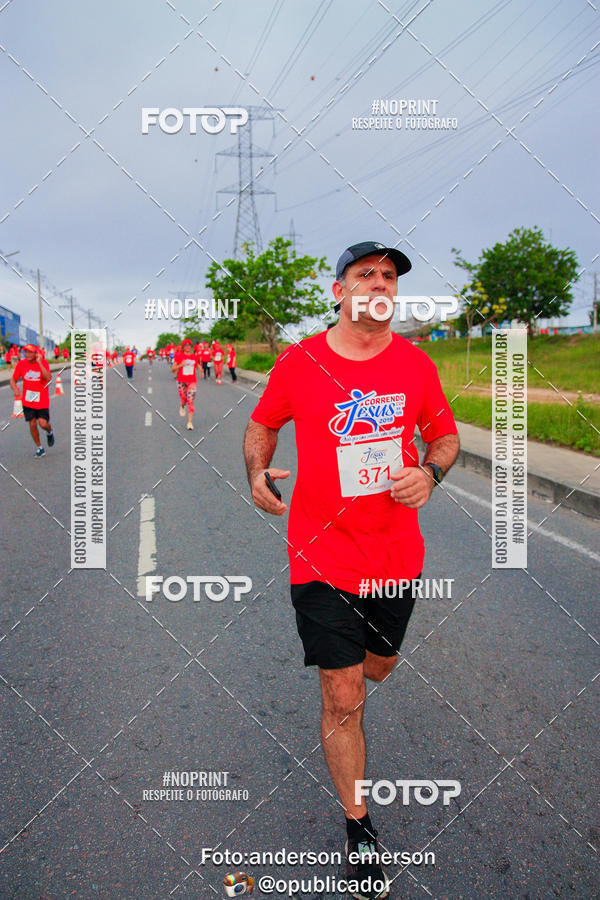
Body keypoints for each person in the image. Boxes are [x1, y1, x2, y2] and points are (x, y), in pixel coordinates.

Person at [244, 241, 460, 900]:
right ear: (338, 290)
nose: (380, 283)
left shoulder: (416, 366)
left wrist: (430, 471)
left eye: (390, 276)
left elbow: (445, 436)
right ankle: (360, 833)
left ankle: (364, 668)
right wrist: (255, 471)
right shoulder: (300, 361)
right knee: (342, 693)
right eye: (366, 273)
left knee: (378, 666)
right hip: (319, 554)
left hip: (394, 558)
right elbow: (262, 425)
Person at [10, 343, 55, 457]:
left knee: (43, 423)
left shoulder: (43, 363)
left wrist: (39, 362)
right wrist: (15, 388)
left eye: (30, 352)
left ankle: (49, 432)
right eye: (26, 352)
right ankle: (39, 447)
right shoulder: (21, 364)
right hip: (28, 400)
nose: (27, 354)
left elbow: (49, 379)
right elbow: (13, 380)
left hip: (42, 399)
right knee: (32, 423)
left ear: (36, 353)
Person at [172, 337, 201, 430]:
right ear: (183, 347)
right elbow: (173, 369)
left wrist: (201, 370)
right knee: (184, 399)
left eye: (189, 345)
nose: (188, 347)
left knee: (191, 401)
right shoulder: (179, 356)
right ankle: (182, 406)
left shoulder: (194, 356)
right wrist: (181, 365)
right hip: (181, 381)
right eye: (186, 345)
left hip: (192, 381)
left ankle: (190, 422)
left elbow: (197, 365)